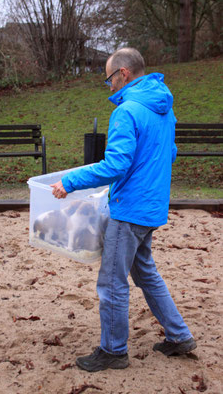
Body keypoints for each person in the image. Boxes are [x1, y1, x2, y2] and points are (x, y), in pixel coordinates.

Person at [51, 47, 197, 372]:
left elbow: (115, 165)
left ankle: (113, 351)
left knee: (112, 282)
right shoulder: (164, 108)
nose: (110, 86)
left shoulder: (127, 111)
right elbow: (169, 154)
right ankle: (179, 335)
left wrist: (70, 180)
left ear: (123, 74)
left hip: (129, 209)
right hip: (153, 207)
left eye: (109, 79)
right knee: (145, 272)